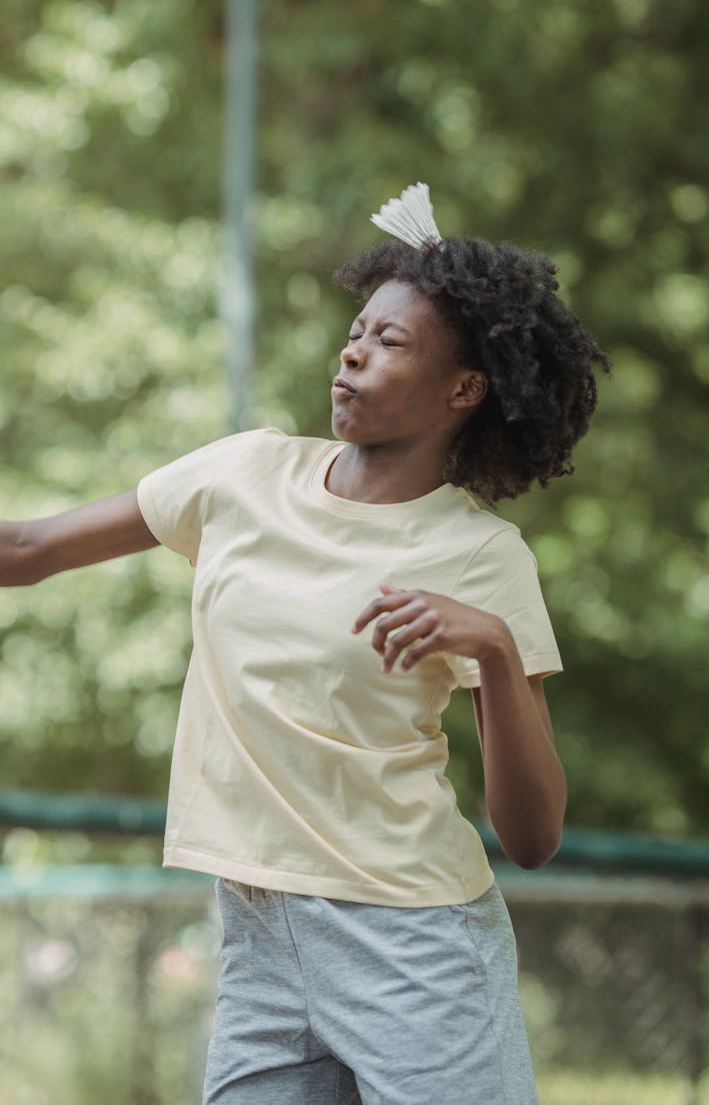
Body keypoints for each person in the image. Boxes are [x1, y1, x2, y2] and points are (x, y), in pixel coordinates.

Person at [0, 184, 610, 1104]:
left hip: (413, 946)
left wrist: (492, 651)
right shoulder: (243, 474)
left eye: (390, 341)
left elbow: (533, 834)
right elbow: (26, 550)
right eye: (357, 330)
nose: (354, 349)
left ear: (463, 388)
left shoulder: (483, 557)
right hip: (256, 932)